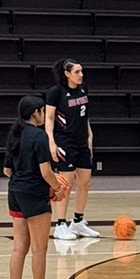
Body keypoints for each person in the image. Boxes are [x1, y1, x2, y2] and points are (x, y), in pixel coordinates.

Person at [4, 96, 68, 279]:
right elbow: (46, 172)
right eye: (42, 111)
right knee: (39, 249)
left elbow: (7, 171)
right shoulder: (39, 136)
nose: (43, 114)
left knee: (19, 247)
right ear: (35, 113)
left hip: (14, 192)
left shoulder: (15, 134)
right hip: (33, 193)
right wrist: (58, 189)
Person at [44, 59, 99, 240]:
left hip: (82, 141)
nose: (81, 75)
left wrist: (89, 135)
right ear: (67, 74)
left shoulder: (84, 89)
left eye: (81, 71)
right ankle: (60, 224)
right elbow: (50, 119)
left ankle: (77, 222)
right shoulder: (56, 92)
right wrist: (51, 142)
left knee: (85, 182)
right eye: (77, 72)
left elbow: (85, 115)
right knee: (65, 185)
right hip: (64, 142)